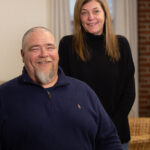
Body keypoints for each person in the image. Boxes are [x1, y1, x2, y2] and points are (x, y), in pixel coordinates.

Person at [0, 26, 123, 150]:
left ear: (57, 53)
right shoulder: (4, 96)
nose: (44, 54)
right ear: (23, 54)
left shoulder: (83, 91)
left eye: (50, 47)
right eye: (35, 49)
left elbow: (109, 139)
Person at [58, 0, 135, 150]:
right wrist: (87, 125)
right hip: (80, 133)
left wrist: (109, 127)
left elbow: (129, 93)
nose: (90, 17)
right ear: (78, 17)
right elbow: (63, 91)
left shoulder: (121, 44)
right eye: (84, 12)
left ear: (105, 14)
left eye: (96, 11)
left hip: (116, 134)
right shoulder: (67, 45)